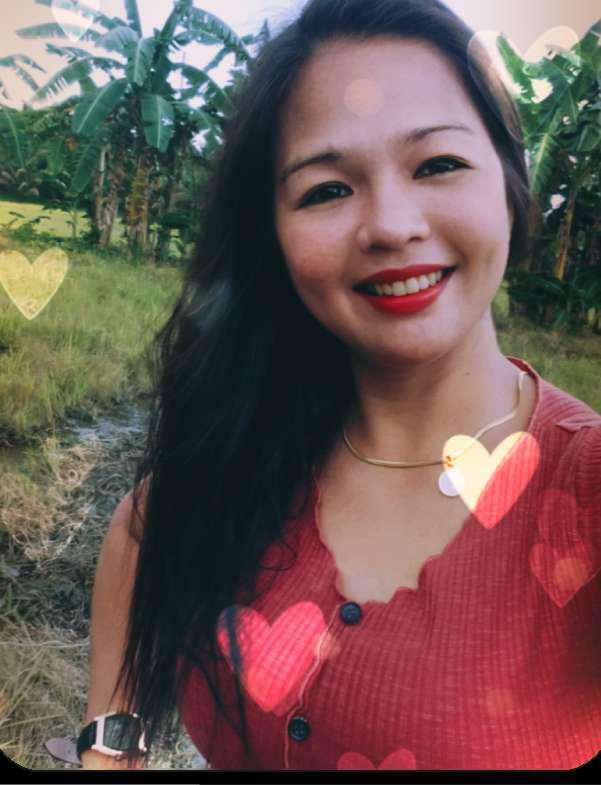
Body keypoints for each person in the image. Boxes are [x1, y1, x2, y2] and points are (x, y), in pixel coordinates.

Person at [77, 0, 601, 771]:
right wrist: (107, 745)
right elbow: (141, 529)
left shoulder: (583, 486)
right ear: (273, 234)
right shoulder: (250, 443)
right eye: (325, 189)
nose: (389, 225)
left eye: (437, 164)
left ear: (509, 182)